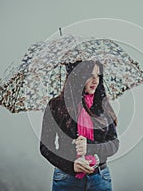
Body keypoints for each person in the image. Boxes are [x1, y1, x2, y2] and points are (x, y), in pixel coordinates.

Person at [40, 60, 120, 191]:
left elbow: (114, 144)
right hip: (66, 179)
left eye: (98, 75)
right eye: (90, 75)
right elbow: (45, 147)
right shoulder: (56, 106)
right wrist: (71, 165)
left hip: (99, 178)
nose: (96, 80)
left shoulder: (102, 105)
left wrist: (89, 147)